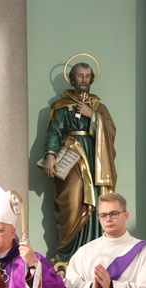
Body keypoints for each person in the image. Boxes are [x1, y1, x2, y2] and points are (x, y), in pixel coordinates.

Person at [42, 61, 117, 264]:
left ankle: (94, 249)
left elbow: (110, 131)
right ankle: (67, 252)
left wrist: (92, 116)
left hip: (94, 161)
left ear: (91, 79)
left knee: (95, 201)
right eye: (79, 76)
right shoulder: (61, 107)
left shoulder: (99, 108)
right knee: (73, 201)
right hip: (71, 160)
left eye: (87, 76)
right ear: (72, 78)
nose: (83, 80)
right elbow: (55, 132)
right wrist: (50, 154)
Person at [65, 193, 146, 288]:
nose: (108, 219)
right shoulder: (83, 253)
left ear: (126, 216)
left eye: (114, 214)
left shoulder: (145, 251)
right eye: (103, 215)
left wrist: (111, 286)